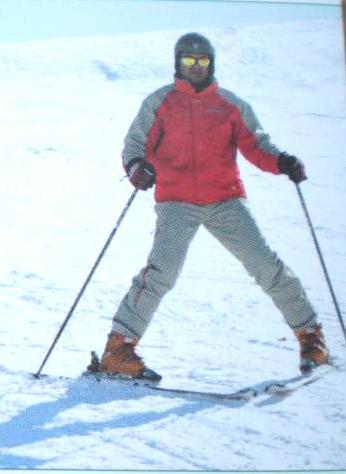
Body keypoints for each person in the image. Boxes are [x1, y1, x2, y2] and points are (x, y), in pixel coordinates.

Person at [90, 32, 329, 380]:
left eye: (202, 61)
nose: (196, 67)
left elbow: (257, 146)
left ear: (211, 64)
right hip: (176, 202)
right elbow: (134, 143)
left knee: (265, 264)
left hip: (225, 199)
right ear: (178, 63)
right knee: (161, 272)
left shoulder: (230, 105)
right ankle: (118, 349)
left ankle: (311, 337)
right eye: (189, 61)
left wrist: (283, 162)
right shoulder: (159, 102)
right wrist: (136, 168)